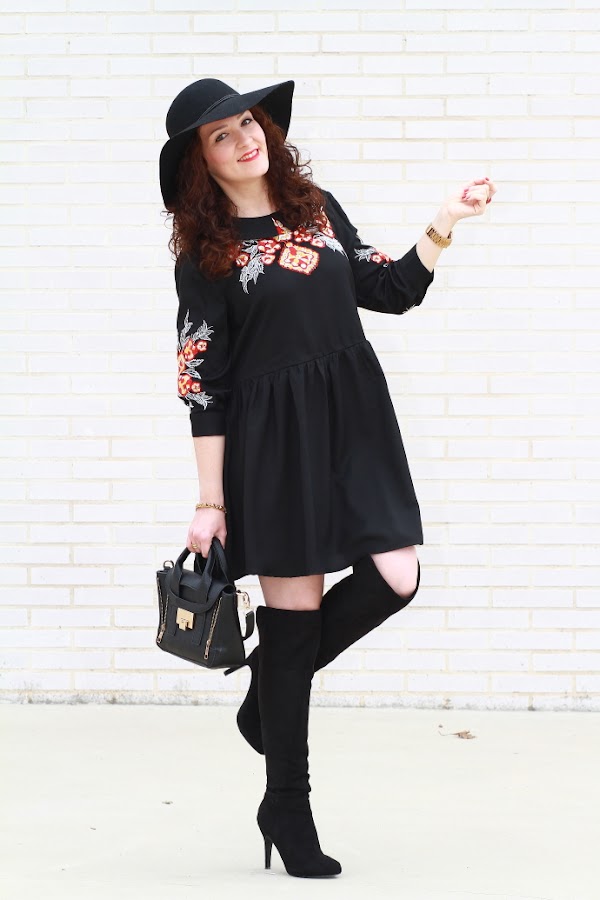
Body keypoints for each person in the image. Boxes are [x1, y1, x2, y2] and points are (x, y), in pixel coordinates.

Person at [160, 77, 496, 879]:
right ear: (202, 164)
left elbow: (390, 289)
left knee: (397, 574)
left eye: (249, 122)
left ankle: (266, 695)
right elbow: (202, 384)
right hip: (273, 441)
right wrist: (210, 501)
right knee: (296, 615)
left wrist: (445, 221)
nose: (246, 139)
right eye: (221, 135)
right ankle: (288, 805)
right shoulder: (207, 256)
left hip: (354, 420)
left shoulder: (316, 208)